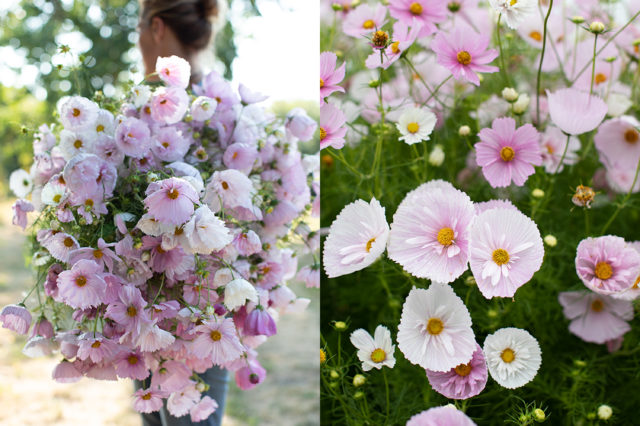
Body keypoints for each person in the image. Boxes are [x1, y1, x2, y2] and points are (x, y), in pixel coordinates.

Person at [134, 1, 229, 425]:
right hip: (192, 315)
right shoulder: (227, 109)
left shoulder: (142, 114)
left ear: (155, 28)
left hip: (173, 319)